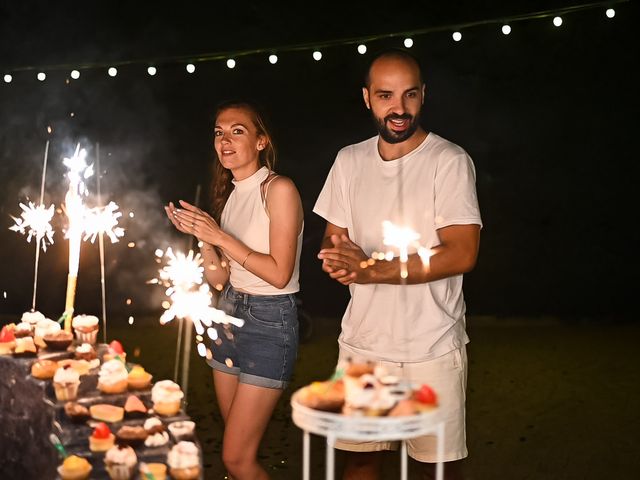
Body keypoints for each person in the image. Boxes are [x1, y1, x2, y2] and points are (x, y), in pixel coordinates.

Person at [313, 48, 482, 480]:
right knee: (361, 460)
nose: (399, 108)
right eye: (386, 96)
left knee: (438, 469)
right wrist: (338, 260)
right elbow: (335, 239)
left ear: (423, 95)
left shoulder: (450, 161)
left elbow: (462, 252)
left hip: (432, 347)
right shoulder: (349, 161)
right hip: (364, 346)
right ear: (367, 98)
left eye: (409, 95)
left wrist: (370, 269)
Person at [165, 100, 304, 480]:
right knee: (237, 447)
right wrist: (203, 237)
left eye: (237, 131)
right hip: (228, 313)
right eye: (218, 132)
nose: (225, 140)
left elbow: (278, 274)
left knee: (236, 459)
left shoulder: (278, 189)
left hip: (269, 321)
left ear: (261, 141)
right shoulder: (231, 196)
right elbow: (219, 280)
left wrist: (219, 235)